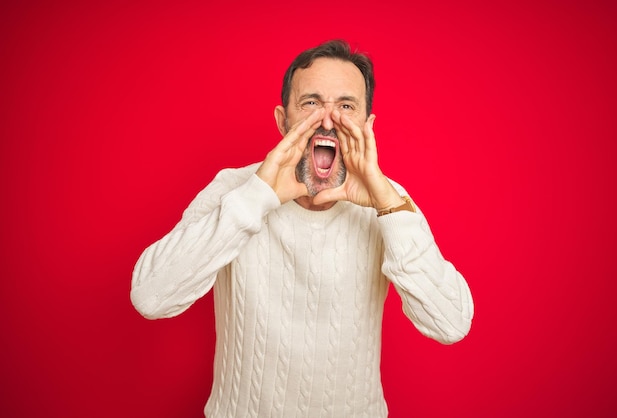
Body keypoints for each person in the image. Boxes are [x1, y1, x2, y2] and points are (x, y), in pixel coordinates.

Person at [131, 39, 474, 418]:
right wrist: (256, 198)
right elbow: (150, 297)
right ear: (283, 121)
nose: (328, 120)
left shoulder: (390, 201)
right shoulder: (234, 189)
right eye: (311, 103)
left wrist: (388, 207)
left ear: (366, 124)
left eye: (346, 106)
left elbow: (451, 322)